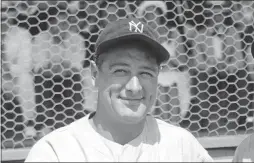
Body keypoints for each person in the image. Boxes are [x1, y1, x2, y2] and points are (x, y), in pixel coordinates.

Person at [25, 17, 213, 162]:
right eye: (120, 71)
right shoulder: (55, 153)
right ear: (94, 74)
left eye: (146, 73)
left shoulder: (182, 147)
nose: (134, 87)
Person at [232, 42, 254, 162]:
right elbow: (249, 68)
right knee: (242, 79)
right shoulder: (249, 49)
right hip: (248, 75)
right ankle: (244, 118)